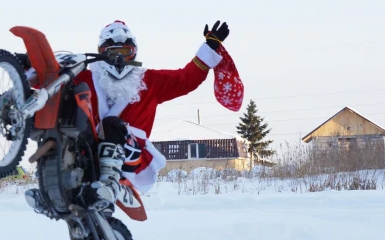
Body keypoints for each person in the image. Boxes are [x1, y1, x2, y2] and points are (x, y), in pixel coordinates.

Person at [25, 19, 238, 213]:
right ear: (101, 51)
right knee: (61, 125)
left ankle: (110, 184)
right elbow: (53, 81)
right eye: (113, 52)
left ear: (134, 53)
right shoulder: (86, 76)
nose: (119, 59)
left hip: (130, 153)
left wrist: (210, 46)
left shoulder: (150, 81)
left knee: (112, 124)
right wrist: (26, 68)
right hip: (88, 149)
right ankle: (50, 190)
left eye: (125, 52)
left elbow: (186, 78)